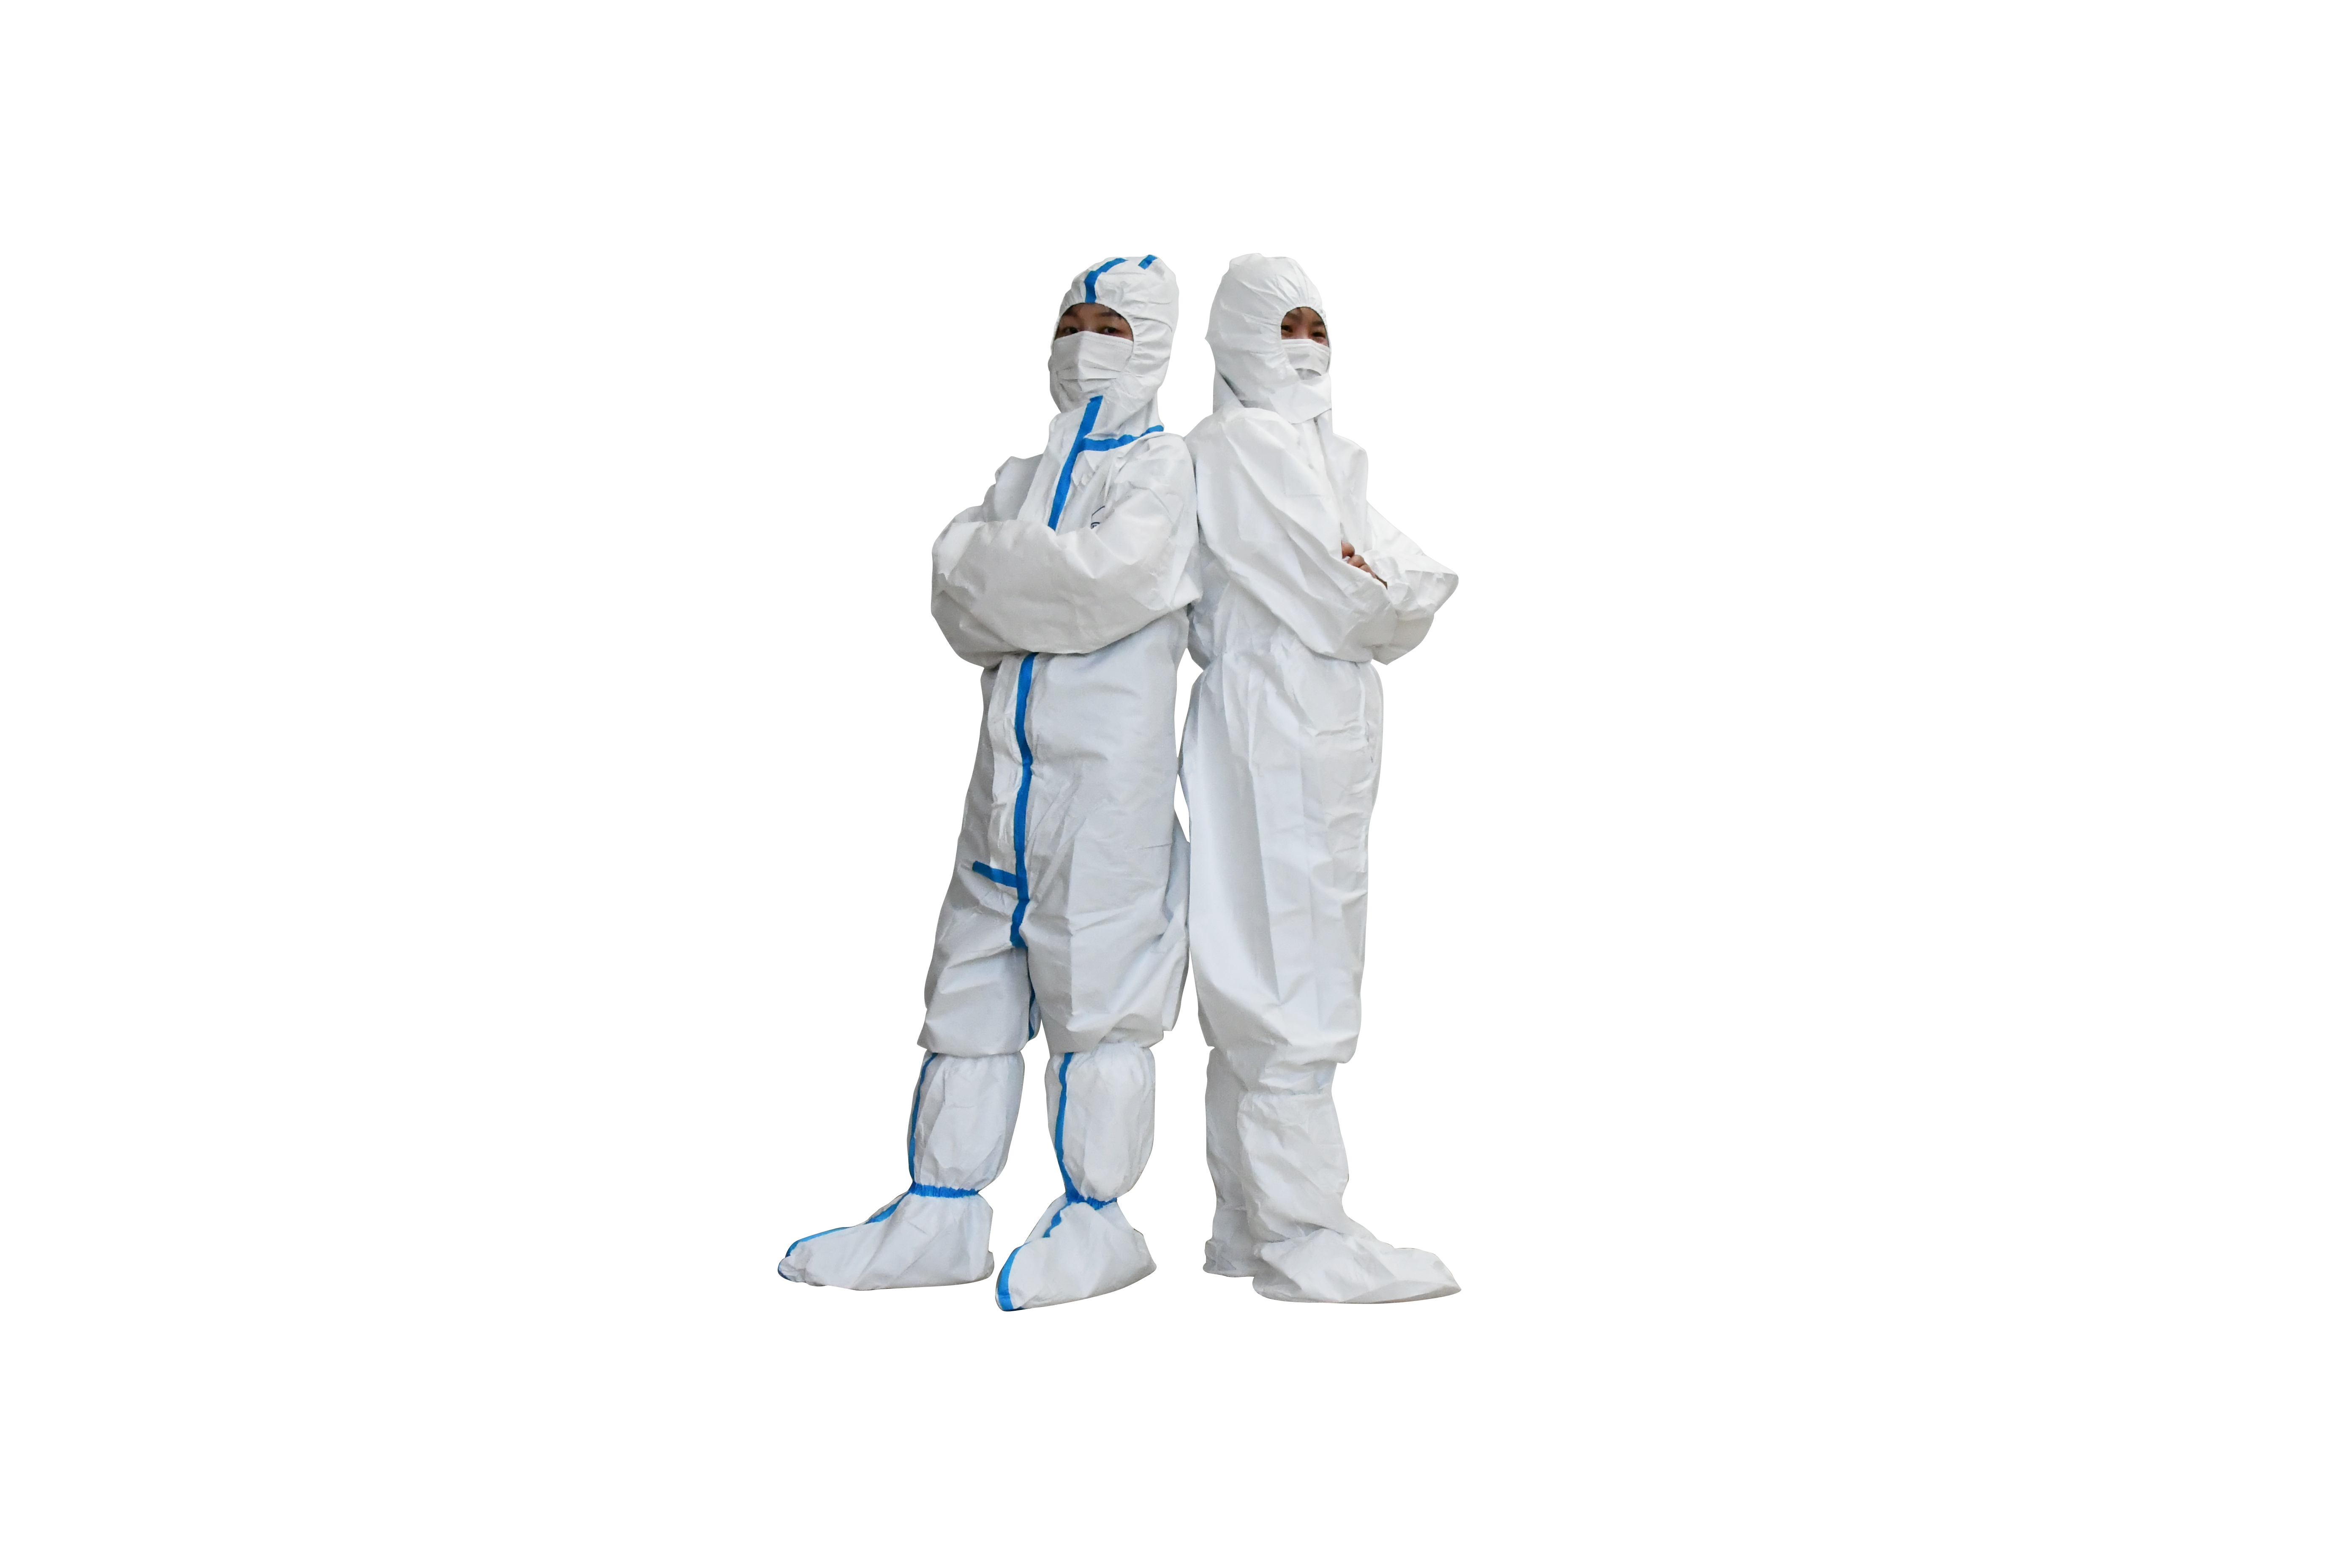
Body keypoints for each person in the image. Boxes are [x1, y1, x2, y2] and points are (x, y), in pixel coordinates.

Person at [779, 256, 1198, 1311]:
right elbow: (953, 597)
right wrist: (1026, 573)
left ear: (1149, 341)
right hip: (1003, 781)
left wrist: (998, 566)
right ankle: (941, 1216)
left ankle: (1097, 1223)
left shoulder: (1164, 469)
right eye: (1072, 321)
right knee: (968, 990)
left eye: (1111, 324)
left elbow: (1110, 581)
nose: (1085, 342)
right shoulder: (1018, 476)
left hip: (1106, 794)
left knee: (1102, 1005)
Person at [1181, 254, 1462, 1304]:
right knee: (1293, 967)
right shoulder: (1240, 446)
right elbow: (1353, 600)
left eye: (1317, 326)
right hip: (1279, 722)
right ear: (1235, 338)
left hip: (1309, 721)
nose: (1305, 347)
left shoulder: (1323, 455)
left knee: (1265, 957)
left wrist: (1363, 570)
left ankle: (1247, 1224)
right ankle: (1305, 1234)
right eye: (1284, 326)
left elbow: (1414, 581)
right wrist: (1363, 578)